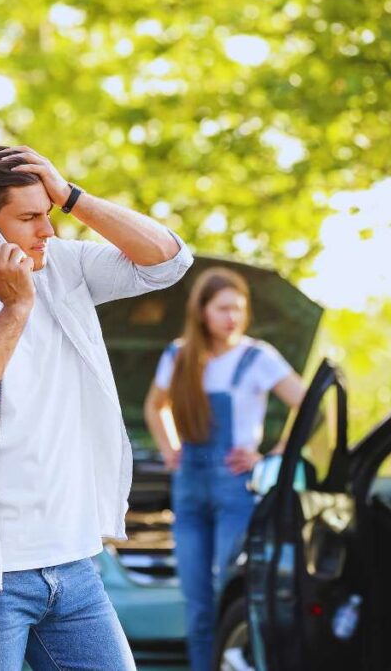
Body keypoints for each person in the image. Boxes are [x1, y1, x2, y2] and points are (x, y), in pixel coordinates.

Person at [0, 144, 193, 670]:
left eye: (48, 214)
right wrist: (17, 306)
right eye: (30, 218)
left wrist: (73, 197)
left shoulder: (64, 265)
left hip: (73, 564)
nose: (46, 231)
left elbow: (168, 262)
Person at [143, 266, 305, 671]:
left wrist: (271, 456)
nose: (232, 317)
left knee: (228, 594)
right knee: (196, 602)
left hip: (237, 491)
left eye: (239, 308)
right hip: (189, 490)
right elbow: (154, 405)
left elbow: (308, 404)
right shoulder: (178, 355)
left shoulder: (257, 357)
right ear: (202, 311)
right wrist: (170, 449)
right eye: (223, 308)